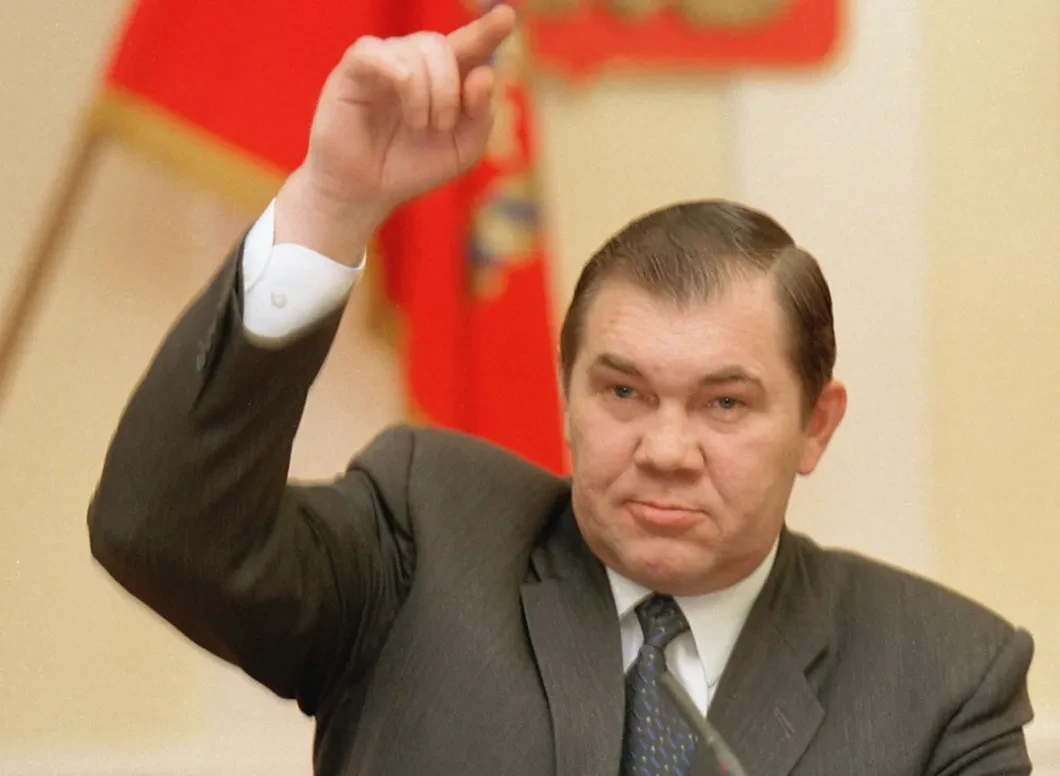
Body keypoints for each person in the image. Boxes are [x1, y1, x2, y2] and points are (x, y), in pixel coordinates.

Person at [87, 5, 1034, 775]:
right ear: (567, 391)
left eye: (725, 404)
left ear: (816, 425)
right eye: (623, 393)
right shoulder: (426, 538)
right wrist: (331, 203)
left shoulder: (942, 675)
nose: (666, 450)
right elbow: (160, 531)